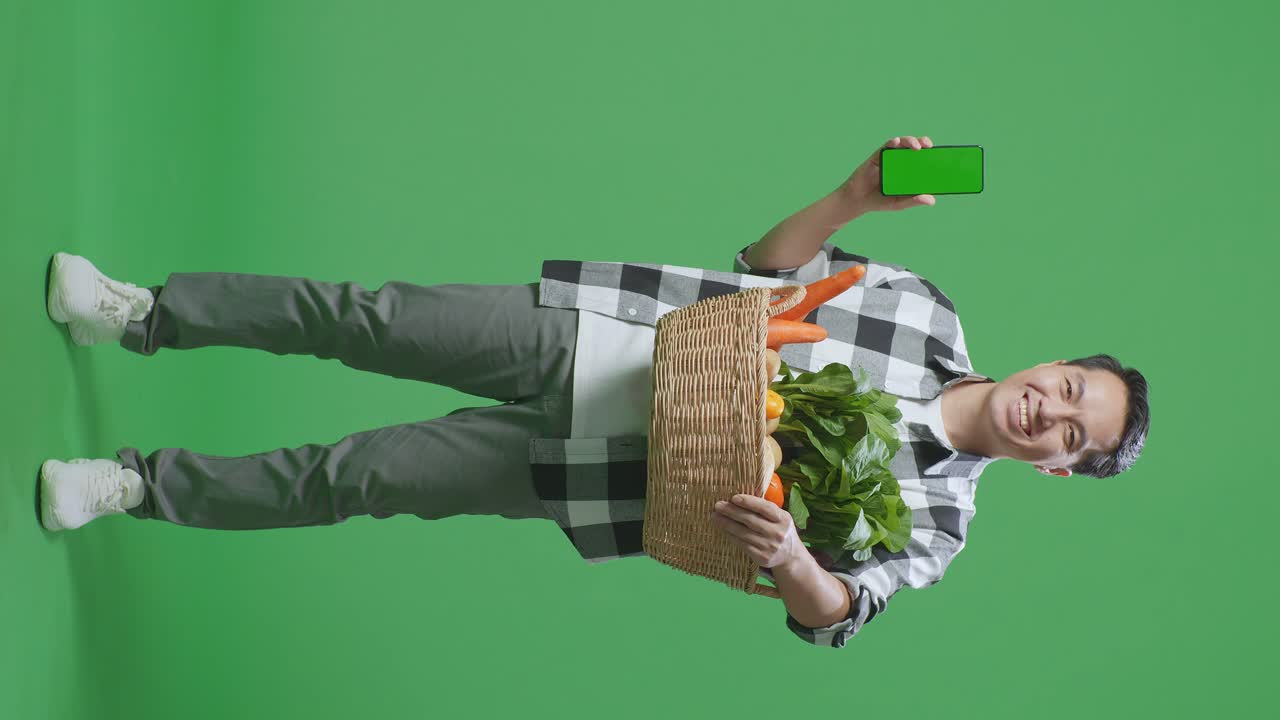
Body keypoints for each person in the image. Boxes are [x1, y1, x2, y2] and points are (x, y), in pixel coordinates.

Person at [39, 135, 1151, 649]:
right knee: (362, 314)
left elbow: (838, 618)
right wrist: (851, 196)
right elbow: (768, 269)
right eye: (1065, 387)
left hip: (602, 478)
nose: (1048, 409)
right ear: (1050, 364)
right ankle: (144, 314)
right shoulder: (928, 313)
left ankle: (135, 488)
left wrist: (799, 564)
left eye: (1068, 430)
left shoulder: (939, 525)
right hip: (602, 336)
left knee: (358, 477)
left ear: (1057, 467)